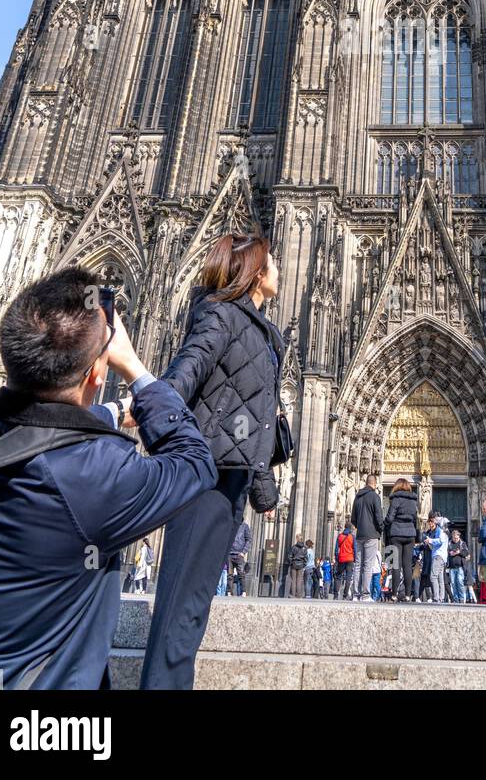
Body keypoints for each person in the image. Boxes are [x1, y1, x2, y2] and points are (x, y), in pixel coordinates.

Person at [0, 267, 216, 689]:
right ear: (98, 373)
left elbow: (36, 433)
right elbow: (194, 462)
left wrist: (112, 413)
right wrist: (135, 369)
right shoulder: (96, 478)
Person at [140, 232, 284, 689]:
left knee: (194, 604)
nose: (279, 268)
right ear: (256, 274)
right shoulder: (220, 314)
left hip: (231, 486)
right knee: (181, 604)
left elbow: (254, 419)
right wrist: (148, 413)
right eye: (272, 262)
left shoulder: (263, 332)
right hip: (204, 480)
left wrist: (262, 490)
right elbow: (188, 369)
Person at [383, 476, 419, 601]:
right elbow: (415, 519)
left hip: (396, 533)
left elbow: (390, 518)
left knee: (396, 565)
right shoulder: (413, 501)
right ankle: (408, 595)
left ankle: (394, 595)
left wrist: (385, 523)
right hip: (410, 535)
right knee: (407, 566)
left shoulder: (396, 499)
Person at [351, 474, 384, 601]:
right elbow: (378, 517)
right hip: (371, 535)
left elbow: (353, 518)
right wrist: (381, 529)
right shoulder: (375, 497)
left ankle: (355, 594)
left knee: (358, 564)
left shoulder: (357, 497)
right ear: (374, 484)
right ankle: (365, 595)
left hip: (360, 535)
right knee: (368, 565)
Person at [423, 512, 449, 603]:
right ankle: (441, 598)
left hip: (438, 556)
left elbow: (440, 541)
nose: (432, 522)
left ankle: (436, 597)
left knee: (433, 577)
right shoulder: (445, 532)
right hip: (443, 557)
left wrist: (430, 540)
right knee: (440, 578)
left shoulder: (440, 530)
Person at [228, 520, 252, 596]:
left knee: (241, 574)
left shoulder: (245, 526)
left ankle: (243, 592)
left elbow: (249, 540)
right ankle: (229, 592)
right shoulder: (231, 524)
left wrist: (243, 552)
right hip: (230, 554)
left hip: (239, 554)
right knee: (229, 575)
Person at [334, 521, 356, 599]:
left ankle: (336, 595)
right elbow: (355, 549)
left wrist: (337, 558)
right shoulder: (352, 537)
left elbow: (336, 549)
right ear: (350, 528)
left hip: (341, 558)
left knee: (338, 576)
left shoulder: (340, 536)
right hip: (350, 559)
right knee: (348, 577)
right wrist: (355, 558)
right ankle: (345, 595)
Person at [447, 529, 470, 603]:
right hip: (451, 567)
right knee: (453, 583)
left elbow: (466, 553)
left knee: (460, 582)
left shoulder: (462, 543)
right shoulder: (449, 543)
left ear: (459, 537)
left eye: (457, 538)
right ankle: (456, 599)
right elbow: (446, 552)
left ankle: (462, 598)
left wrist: (459, 552)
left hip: (460, 567)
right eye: (454, 538)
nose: (455, 539)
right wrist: (450, 553)